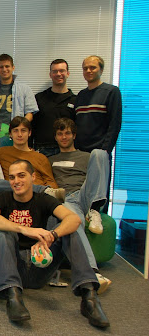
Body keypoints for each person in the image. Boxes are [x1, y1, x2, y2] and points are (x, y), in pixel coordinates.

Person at [0, 160, 109, 328]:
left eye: (21, 175)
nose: (16, 181)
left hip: (41, 265)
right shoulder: (2, 197)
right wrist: (25, 229)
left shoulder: (43, 199)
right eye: (12, 177)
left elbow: (73, 219)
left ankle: (89, 298)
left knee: (68, 231)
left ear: (33, 177)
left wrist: (52, 236)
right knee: (2, 232)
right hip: (14, 267)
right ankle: (12, 297)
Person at [49, 118, 112, 293]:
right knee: (72, 220)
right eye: (60, 134)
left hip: (83, 195)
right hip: (64, 199)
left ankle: (94, 209)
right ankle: (92, 272)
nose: (64, 137)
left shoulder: (86, 157)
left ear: (74, 135)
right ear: (55, 137)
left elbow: (96, 179)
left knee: (100, 153)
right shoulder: (50, 159)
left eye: (67, 133)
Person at [0, 116, 63, 201]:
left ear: (29, 133)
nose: (20, 134)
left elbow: (51, 182)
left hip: (37, 198)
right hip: (13, 195)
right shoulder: (1, 153)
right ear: (10, 134)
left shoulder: (40, 158)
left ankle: (39, 191)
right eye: (16, 131)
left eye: (23, 130)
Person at [75, 55, 122, 154]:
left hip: (99, 151)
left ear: (101, 70)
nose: (88, 71)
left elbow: (115, 124)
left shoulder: (111, 91)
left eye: (93, 67)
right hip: (80, 152)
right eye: (85, 68)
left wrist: (105, 149)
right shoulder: (81, 95)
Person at [0, 54, 38, 132]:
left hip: (16, 133)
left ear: (13, 67)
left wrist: (19, 128)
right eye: (1, 67)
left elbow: (30, 114)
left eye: (7, 66)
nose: (4, 69)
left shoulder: (25, 89)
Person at [33, 59, 76, 157]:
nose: (58, 74)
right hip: (42, 150)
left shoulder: (75, 100)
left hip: (67, 151)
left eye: (62, 71)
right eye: (55, 71)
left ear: (68, 73)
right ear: (50, 74)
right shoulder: (39, 98)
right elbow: (32, 125)